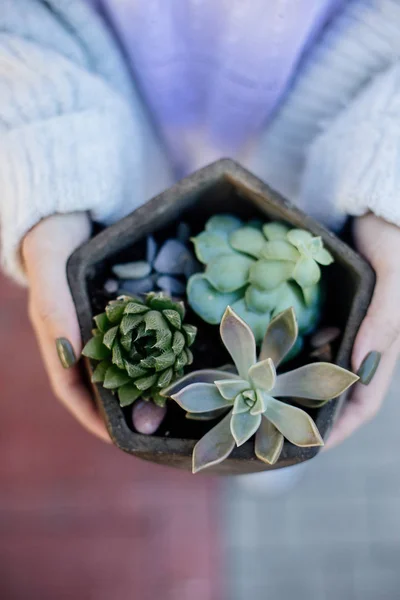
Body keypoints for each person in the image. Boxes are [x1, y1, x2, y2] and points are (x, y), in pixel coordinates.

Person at [3, 0, 400, 449]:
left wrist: (388, 163)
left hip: (332, 136)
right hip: (109, 103)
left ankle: (263, 454)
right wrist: (47, 138)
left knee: (291, 431)